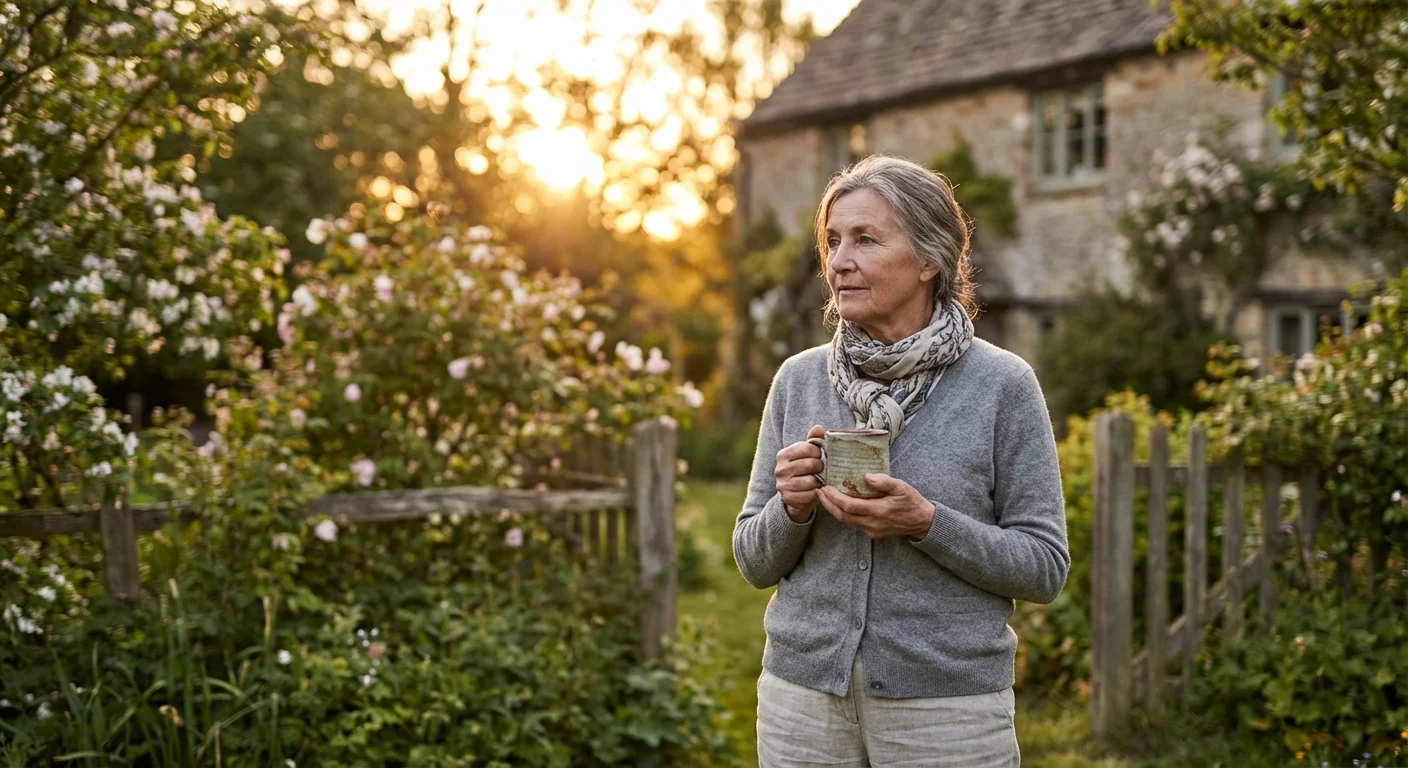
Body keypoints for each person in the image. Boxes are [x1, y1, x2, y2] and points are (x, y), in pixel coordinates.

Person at [733, 154, 1069, 767]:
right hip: (803, 705)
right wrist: (792, 509)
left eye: (865, 239)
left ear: (929, 260)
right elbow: (753, 561)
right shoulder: (798, 380)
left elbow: (1044, 567)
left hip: (947, 714)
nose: (839, 260)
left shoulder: (1002, 385)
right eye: (833, 241)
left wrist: (925, 523)